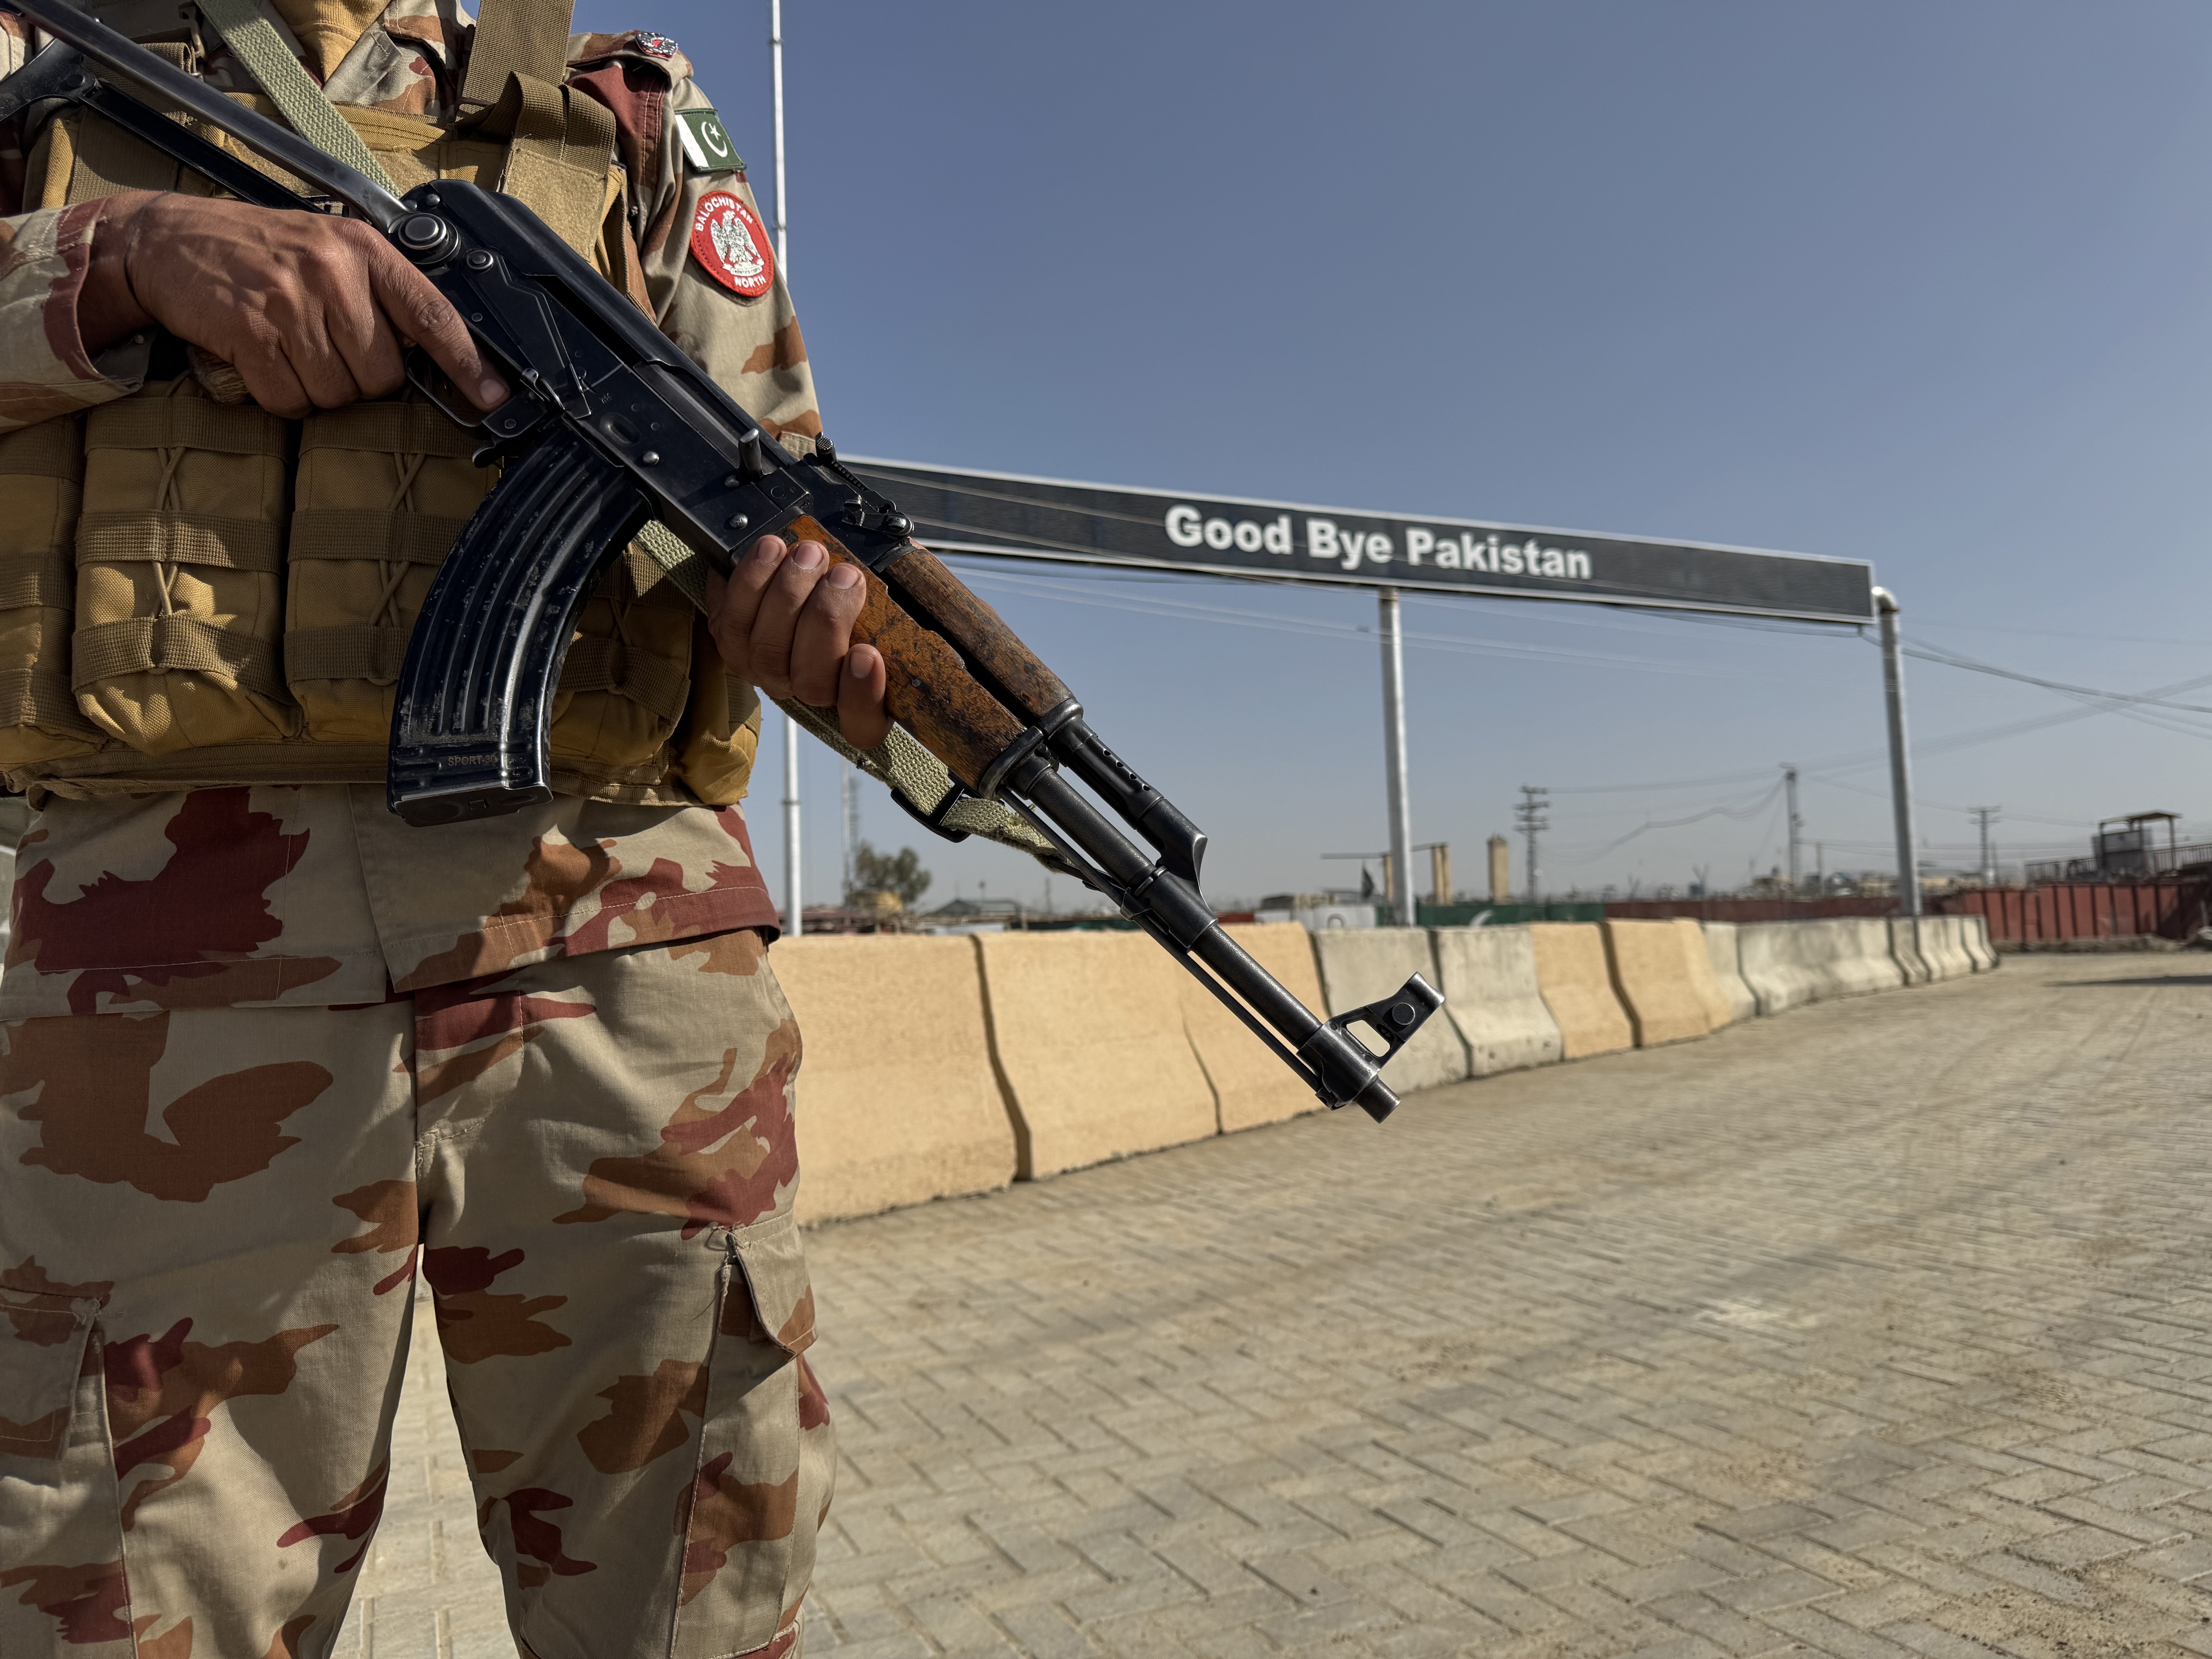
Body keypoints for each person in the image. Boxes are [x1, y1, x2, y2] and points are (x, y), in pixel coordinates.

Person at [0, 2, 879, 1655]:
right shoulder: (41, 59)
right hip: (163, 980)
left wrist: (810, 612)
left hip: (619, 946)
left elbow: (769, 468)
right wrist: (119, 261)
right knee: (124, 1604)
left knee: (694, 1590)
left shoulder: (622, 106)